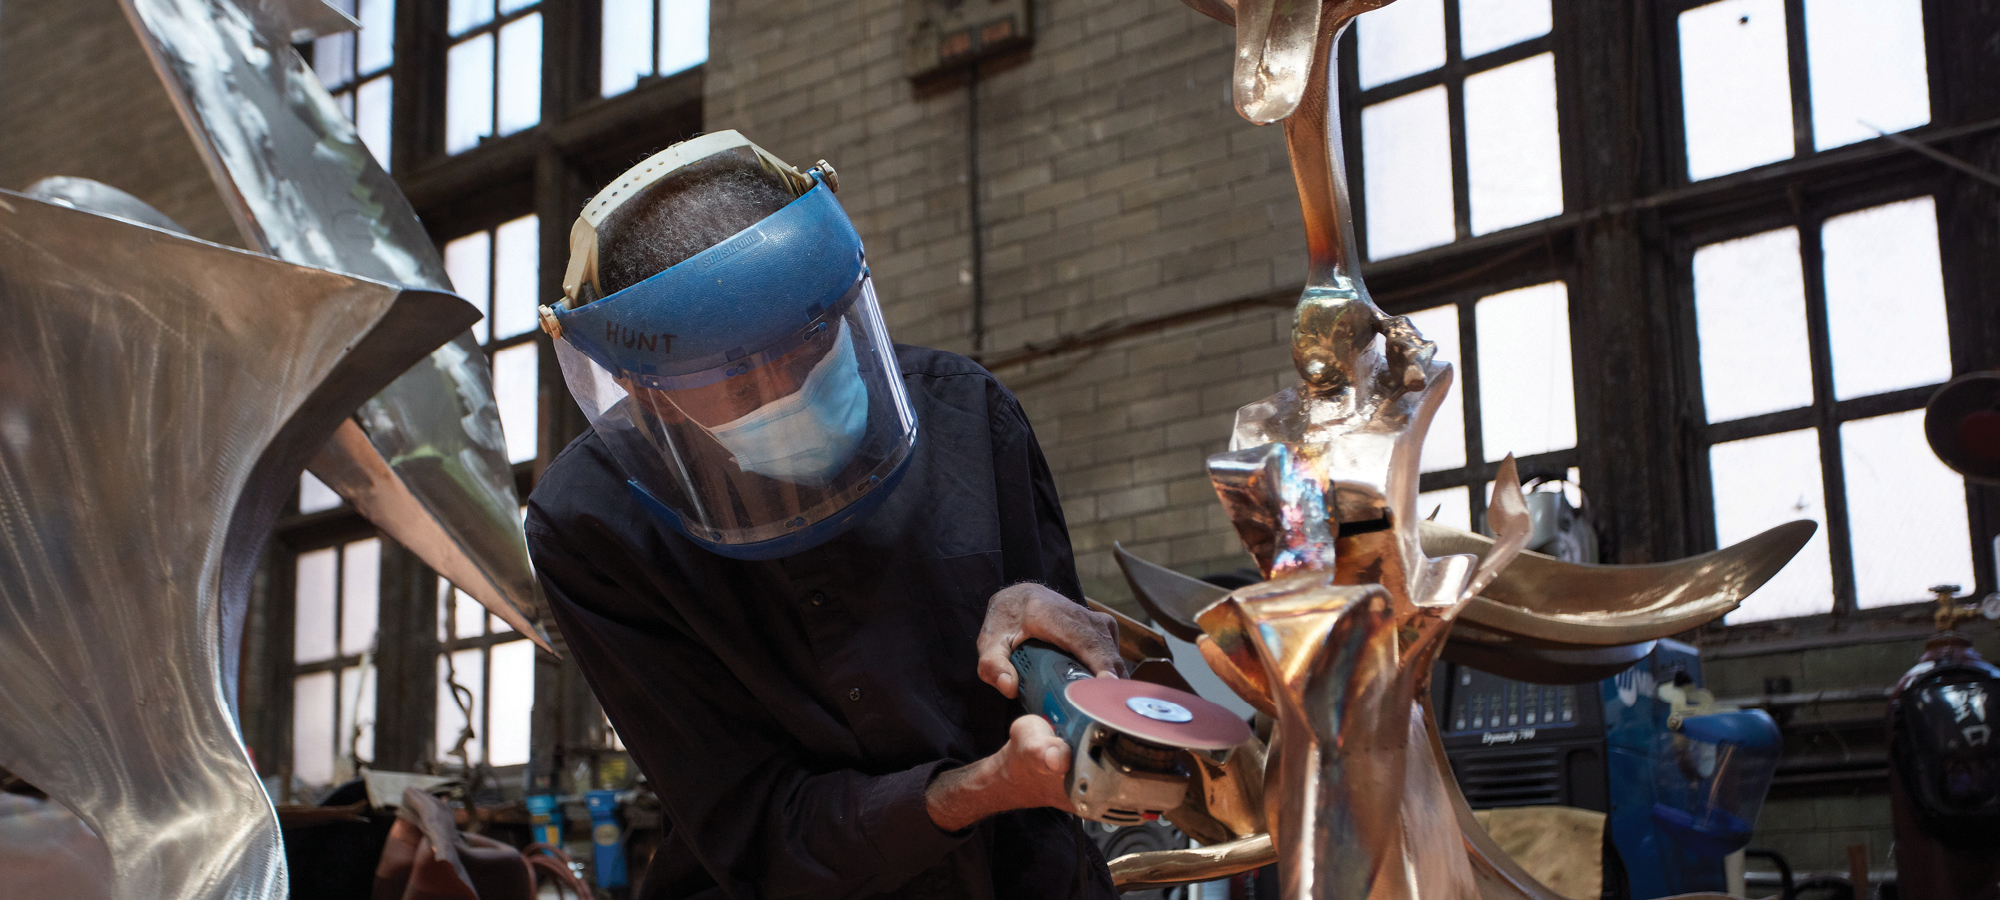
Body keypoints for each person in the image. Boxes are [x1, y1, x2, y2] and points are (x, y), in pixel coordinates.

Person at [525, 131, 1125, 900]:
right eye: (739, 380)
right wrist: (982, 787)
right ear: (648, 391)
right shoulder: (594, 526)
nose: (789, 390)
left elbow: (1077, 687)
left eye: (810, 341)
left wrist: (1073, 656)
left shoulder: (967, 413)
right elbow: (749, 826)